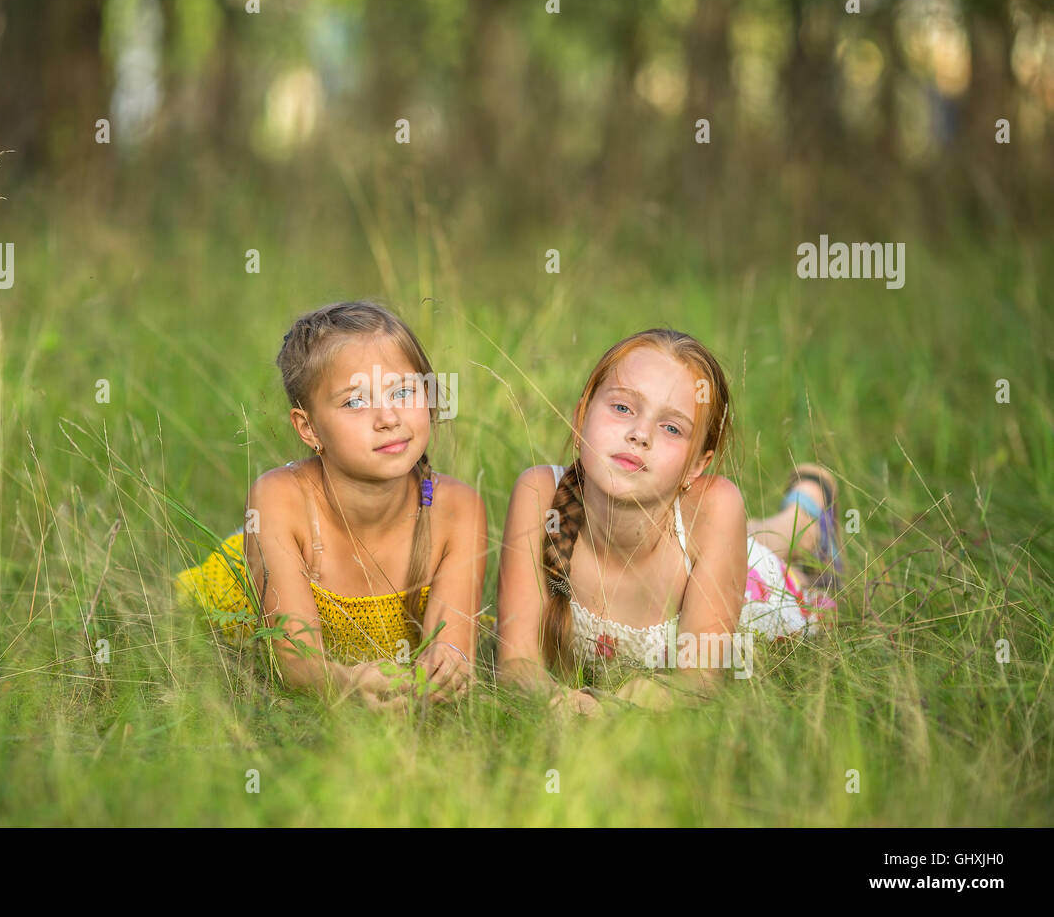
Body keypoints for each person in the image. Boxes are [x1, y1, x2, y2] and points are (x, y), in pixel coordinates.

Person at [496, 328, 841, 715]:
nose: (639, 434)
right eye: (623, 408)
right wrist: (555, 701)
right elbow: (516, 662)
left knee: (782, 558)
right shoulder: (540, 495)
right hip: (703, 542)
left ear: (697, 465)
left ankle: (810, 507)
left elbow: (698, 683)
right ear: (580, 418)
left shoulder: (716, 508)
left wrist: (624, 706)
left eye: (671, 427)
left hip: (751, 586)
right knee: (751, 537)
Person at [176, 301, 487, 710]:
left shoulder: (457, 508)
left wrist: (442, 673)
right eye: (356, 402)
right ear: (309, 428)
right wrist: (346, 683)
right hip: (241, 601)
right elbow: (294, 661)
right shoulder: (279, 500)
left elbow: (452, 649)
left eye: (405, 391)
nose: (389, 417)